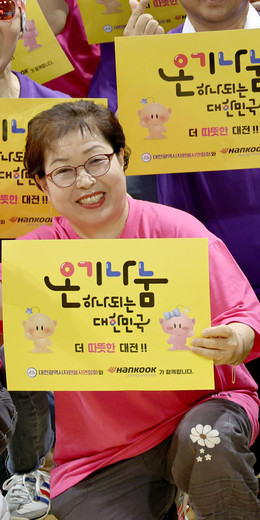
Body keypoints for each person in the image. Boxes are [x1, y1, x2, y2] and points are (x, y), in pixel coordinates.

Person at [89, 0, 260, 463]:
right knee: (223, 431)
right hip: (198, 278)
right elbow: (109, 171)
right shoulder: (145, 54)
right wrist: (137, 74)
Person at [13, 100, 260, 519]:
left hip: (202, 409)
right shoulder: (30, 260)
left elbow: (242, 317)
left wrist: (235, 340)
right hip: (103, 449)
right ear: (42, 183)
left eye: (96, 161)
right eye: (63, 171)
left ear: (122, 158)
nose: (85, 181)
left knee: (208, 440)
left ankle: (195, 488)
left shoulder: (178, 231)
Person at [0, 1, 68, 517]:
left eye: (1, 8)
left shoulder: (60, 114)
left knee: (29, 391)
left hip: (35, 284)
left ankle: (26, 473)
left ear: (23, 19)